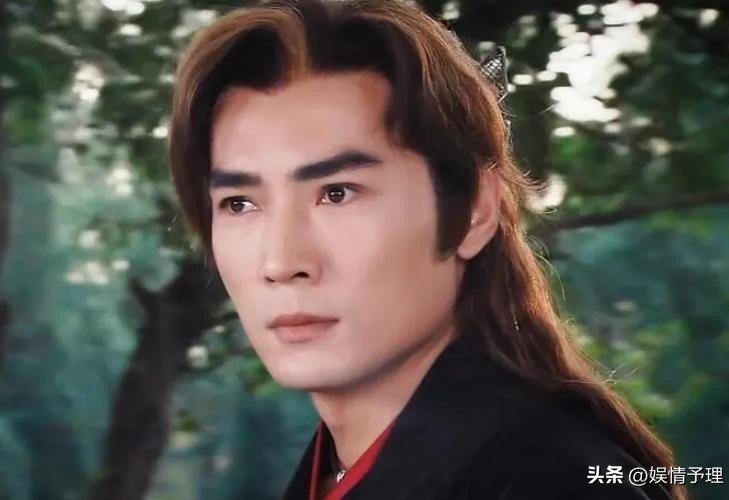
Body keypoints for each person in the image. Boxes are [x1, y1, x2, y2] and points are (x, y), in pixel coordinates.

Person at [168, 0, 687, 498]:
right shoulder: (334, 466)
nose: (282, 263)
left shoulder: (552, 478)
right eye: (239, 203)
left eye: (338, 193)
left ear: (473, 211)